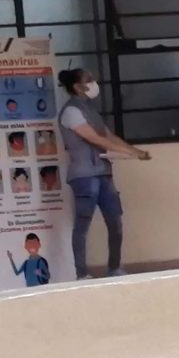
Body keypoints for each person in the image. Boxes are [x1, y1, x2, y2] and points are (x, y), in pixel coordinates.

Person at [58, 67, 152, 278]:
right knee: (83, 225)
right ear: (77, 86)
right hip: (84, 176)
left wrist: (136, 152)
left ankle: (114, 268)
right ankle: (81, 273)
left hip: (103, 172)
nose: (93, 82)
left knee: (115, 220)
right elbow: (97, 139)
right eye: (88, 79)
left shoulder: (91, 110)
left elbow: (109, 136)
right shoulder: (71, 111)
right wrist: (130, 152)